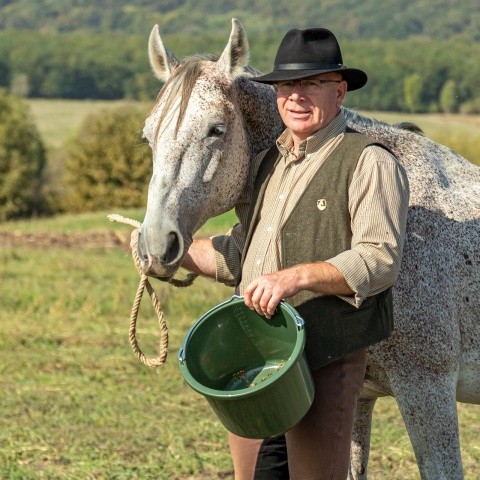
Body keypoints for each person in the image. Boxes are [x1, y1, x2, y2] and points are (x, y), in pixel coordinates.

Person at [181, 27, 410, 480]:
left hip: (325, 355)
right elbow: (242, 255)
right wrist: (177, 254)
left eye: (312, 84)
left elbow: (379, 259)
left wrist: (294, 278)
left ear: (339, 92)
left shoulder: (370, 161)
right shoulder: (270, 162)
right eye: (287, 85)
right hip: (255, 361)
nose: (296, 96)